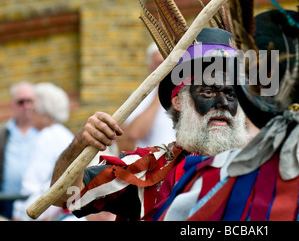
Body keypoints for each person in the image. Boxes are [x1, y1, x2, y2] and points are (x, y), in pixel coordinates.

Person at [49, 27, 254, 220]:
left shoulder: (265, 166)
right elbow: (66, 197)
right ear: (179, 101)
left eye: (231, 93)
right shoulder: (147, 167)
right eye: (208, 92)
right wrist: (78, 146)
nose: (223, 103)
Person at [12, 82, 76, 221]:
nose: (30, 113)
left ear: (46, 115)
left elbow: (32, 183)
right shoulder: (65, 134)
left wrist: (18, 214)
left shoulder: (46, 137)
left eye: (34, 111)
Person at [122, 43, 176, 149]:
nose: (164, 68)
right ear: (150, 67)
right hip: (153, 162)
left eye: (168, 63)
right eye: (159, 63)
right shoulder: (139, 96)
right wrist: (159, 95)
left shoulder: (188, 93)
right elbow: (135, 133)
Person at [0, 82, 39, 220]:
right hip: (5, 202)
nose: (26, 106)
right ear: (12, 104)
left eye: (30, 101)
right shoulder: (3, 133)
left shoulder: (43, 132)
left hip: (36, 202)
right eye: (21, 102)